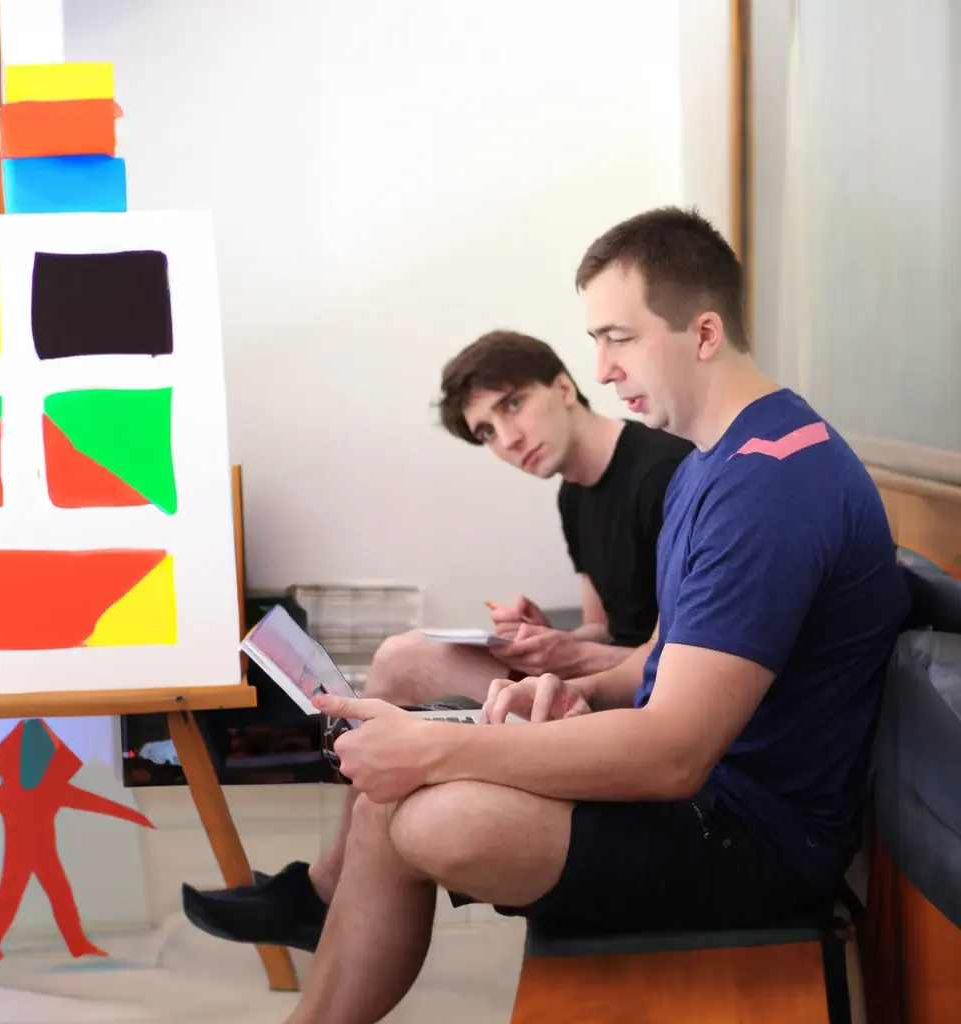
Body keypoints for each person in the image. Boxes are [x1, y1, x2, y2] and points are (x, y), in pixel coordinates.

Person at [275, 206, 911, 1024]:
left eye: (618, 337)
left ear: (704, 333)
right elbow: (660, 664)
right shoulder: (712, 469)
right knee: (394, 797)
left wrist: (440, 747)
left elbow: (675, 755)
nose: (602, 369)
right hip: (705, 792)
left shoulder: (770, 484)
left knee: (437, 811)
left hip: (758, 837)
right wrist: (575, 694)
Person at [181, 330, 692, 950]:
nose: (507, 440)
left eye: (511, 405)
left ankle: (324, 891)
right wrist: (546, 636)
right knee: (402, 654)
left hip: (646, 707)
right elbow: (605, 626)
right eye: (486, 432)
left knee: (402, 662)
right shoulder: (574, 493)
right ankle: (327, 885)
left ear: (563, 385)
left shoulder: (664, 471)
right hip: (603, 682)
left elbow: (675, 659)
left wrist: (574, 655)